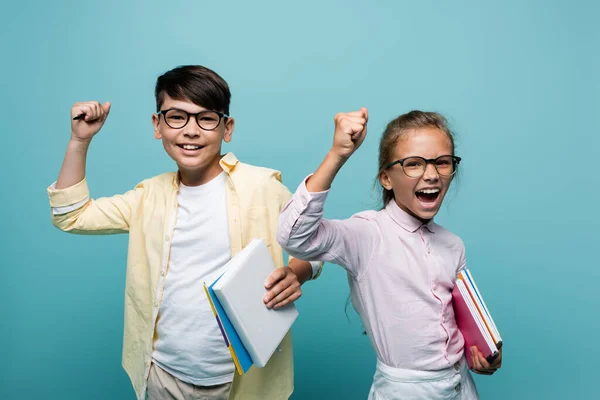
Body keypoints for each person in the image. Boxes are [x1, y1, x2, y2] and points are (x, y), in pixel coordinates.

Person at [47, 65, 321, 400]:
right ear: (157, 125)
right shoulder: (147, 196)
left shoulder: (261, 187)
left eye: (206, 118)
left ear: (227, 127)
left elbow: (314, 245)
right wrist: (80, 140)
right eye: (177, 116)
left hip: (240, 382)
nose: (191, 130)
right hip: (162, 376)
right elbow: (71, 215)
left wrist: (297, 272)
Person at [277, 108, 501, 399]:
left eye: (442, 163)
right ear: (386, 178)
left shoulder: (453, 245)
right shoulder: (367, 234)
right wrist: (337, 154)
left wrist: (484, 354)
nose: (432, 175)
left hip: (462, 386)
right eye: (414, 164)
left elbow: (460, 323)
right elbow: (294, 236)